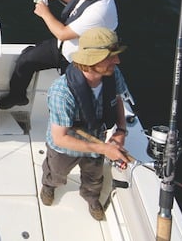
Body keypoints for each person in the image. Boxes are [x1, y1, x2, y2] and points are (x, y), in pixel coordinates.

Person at [0, 0, 118, 109]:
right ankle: (17, 96)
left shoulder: (101, 10)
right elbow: (79, 3)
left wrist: (44, 13)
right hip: (64, 47)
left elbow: (62, 33)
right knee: (26, 60)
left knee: (75, 96)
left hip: (81, 61)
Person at [40, 27, 131, 221]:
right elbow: (60, 138)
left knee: (94, 178)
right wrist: (104, 149)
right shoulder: (61, 93)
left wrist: (121, 130)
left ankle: (91, 197)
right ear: (92, 60)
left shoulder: (113, 75)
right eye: (110, 57)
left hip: (98, 144)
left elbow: (118, 99)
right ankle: (49, 185)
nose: (117, 61)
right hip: (65, 149)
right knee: (56, 173)